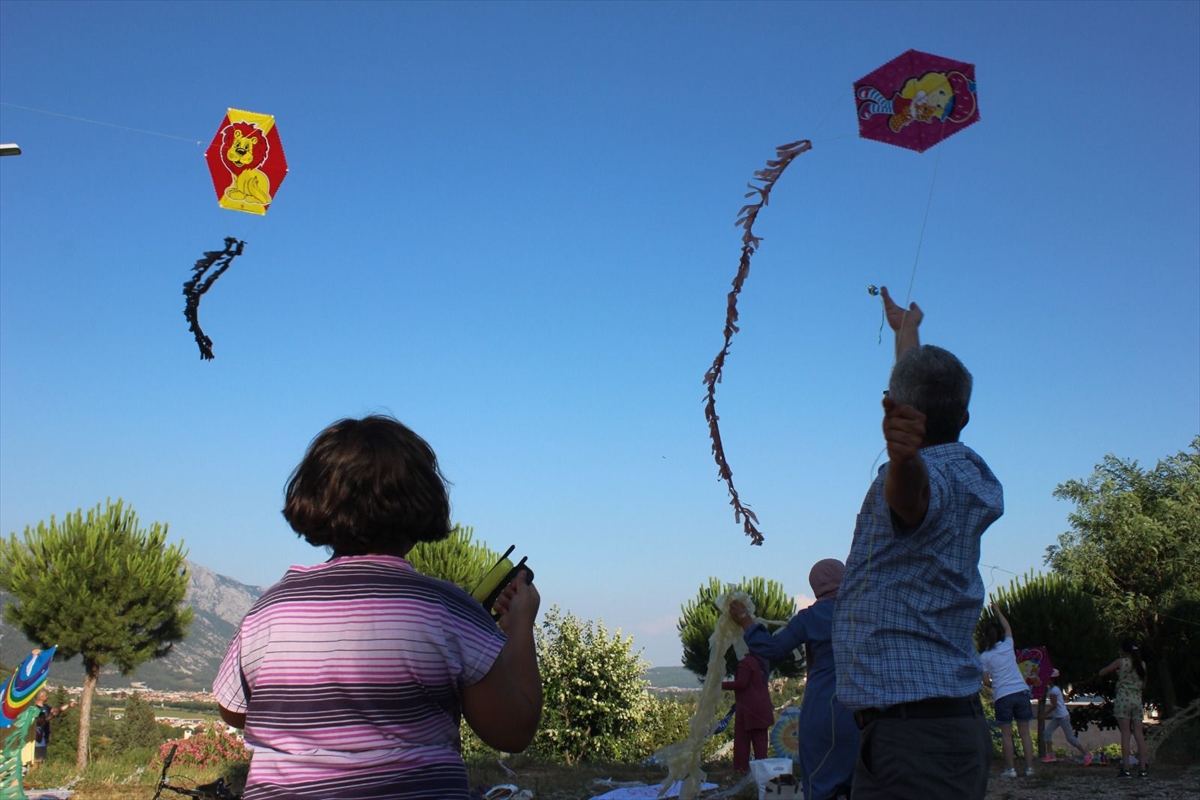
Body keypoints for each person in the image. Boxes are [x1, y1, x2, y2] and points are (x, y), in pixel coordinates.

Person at [214, 414, 543, 800]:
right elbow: (513, 731)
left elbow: (234, 710)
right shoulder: (448, 608)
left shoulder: (270, 608)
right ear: (422, 501)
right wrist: (520, 626)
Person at [831, 287, 1003, 800]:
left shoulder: (933, 480)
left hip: (918, 743)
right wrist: (906, 333)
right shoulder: (967, 469)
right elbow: (916, 400)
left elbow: (914, 501)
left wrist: (904, 461)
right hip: (918, 733)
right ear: (963, 419)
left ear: (896, 408)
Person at [730, 560, 858, 800]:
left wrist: (746, 622)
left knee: (820, 780)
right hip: (864, 710)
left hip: (824, 708)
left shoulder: (812, 617)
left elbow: (773, 648)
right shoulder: (862, 613)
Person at [978, 602, 1035, 778]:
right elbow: (1008, 627)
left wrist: (997, 684)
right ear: (1000, 635)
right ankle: (1030, 768)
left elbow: (986, 680)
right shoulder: (1008, 645)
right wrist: (997, 611)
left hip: (1003, 695)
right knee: (1025, 733)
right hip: (1021, 691)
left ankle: (1010, 769)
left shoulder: (985, 656)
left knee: (1007, 735)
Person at [720, 640, 774, 774]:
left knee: (742, 745)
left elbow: (741, 683)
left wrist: (720, 685)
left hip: (748, 711)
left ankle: (740, 773)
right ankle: (762, 776)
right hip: (763, 709)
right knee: (761, 747)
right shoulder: (763, 663)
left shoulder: (745, 663)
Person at [1098, 637, 1148, 778]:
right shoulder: (1143, 665)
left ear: (1123, 650)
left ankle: (1126, 769)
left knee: (1125, 734)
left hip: (1123, 700)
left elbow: (1103, 672)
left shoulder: (1121, 662)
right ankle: (1143, 769)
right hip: (1137, 701)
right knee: (1139, 735)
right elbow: (1143, 685)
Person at [1038, 668, 1091, 765]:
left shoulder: (1054, 691)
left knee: (1070, 738)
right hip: (1058, 717)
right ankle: (1050, 754)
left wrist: (1043, 715)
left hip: (1062, 716)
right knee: (1047, 733)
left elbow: (1053, 705)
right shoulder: (1054, 689)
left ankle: (1086, 754)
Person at [31, 689, 76, 770]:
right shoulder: (34, 709)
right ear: (41, 697)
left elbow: (57, 710)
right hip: (37, 738)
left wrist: (69, 705)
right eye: (46, 695)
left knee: (41, 760)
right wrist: (51, 716)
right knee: (36, 761)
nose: (47, 697)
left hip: (44, 738)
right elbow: (41, 722)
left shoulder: (46, 707)